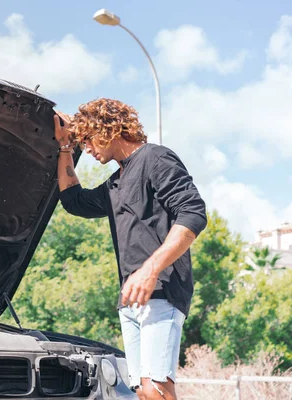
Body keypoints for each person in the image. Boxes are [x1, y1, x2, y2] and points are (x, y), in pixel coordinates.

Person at [54, 98, 207, 400]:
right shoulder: (115, 184)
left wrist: (150, 270)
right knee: (143, 391)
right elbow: (74, 202)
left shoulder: (156, 159)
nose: (86, 148)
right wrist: (63, 148)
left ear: (107, 129)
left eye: (87, 139)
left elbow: (193, 214)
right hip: (131, 297)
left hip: (161, 289)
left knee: (156, 390)